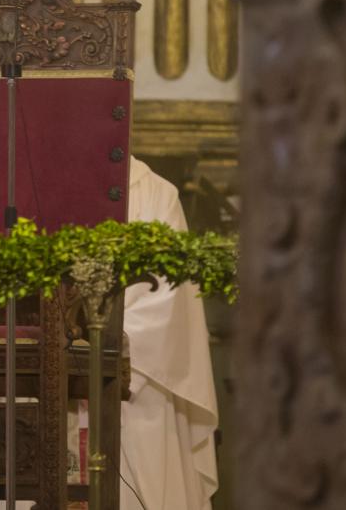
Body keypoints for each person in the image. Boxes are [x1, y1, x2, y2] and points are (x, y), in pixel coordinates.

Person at [119, 157, 219, 510]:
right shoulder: (25, 183)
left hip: (134, 387)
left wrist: (104, 343)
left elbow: (170, 299)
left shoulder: (154, 193)